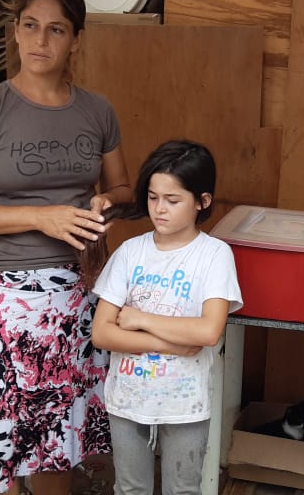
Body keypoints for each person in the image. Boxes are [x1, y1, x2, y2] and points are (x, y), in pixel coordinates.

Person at [0, 0, 133, 495]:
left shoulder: (96, 110)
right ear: (15, 31)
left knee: (55, 442)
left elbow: (123, 188)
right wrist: (40, 218)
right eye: (30, 26)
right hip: (3, 299)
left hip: (76, 294)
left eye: (56, 29)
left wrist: (106, 204)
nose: (40, 40)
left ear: (76, 40)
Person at [90, 140, 242, 495]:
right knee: (130, 488)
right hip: (127, 399)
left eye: (173, 200)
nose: (160, 209)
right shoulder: (130, 252)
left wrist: (140, 318)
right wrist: (173, 344)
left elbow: (208, 331)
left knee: (183, 490)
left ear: (202, 201)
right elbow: (102, 333)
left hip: (185, 404)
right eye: (153, 197)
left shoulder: (215, 255)